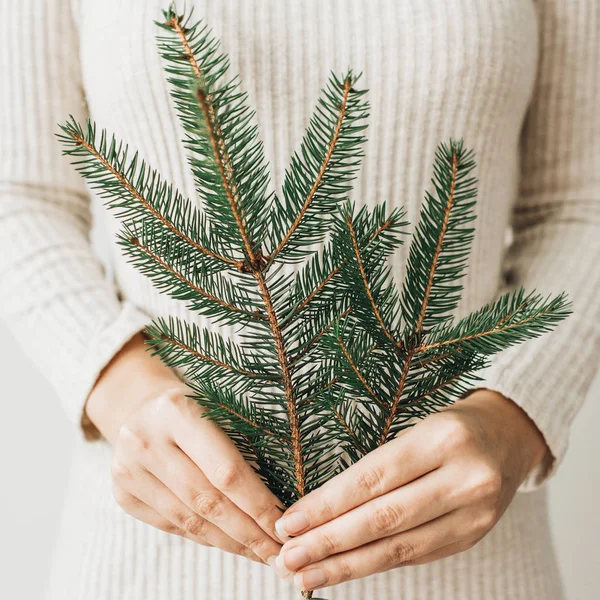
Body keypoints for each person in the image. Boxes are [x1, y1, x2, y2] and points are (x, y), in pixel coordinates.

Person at [1, 1, 598, 598]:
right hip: (147, 565)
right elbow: (21, 196)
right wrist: (119, 382)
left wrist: (514, 416)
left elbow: (582, 204)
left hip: (477, 574)